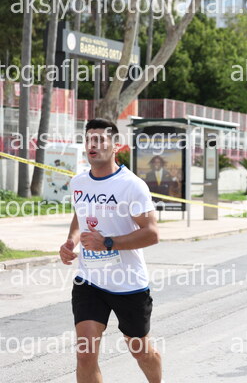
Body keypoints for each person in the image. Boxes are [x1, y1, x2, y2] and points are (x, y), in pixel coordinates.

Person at [59, 119, 162, 383]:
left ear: (116, 146)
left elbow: (152, 233)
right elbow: (80, 215)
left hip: (128, 284)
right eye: (88, 139)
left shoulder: (132, 185)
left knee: (141, 351)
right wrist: (71, 241)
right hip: (89, 280)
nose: (92, 145)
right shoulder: (79, 183)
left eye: (100, 140)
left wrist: (107, 243)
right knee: (85, 354)